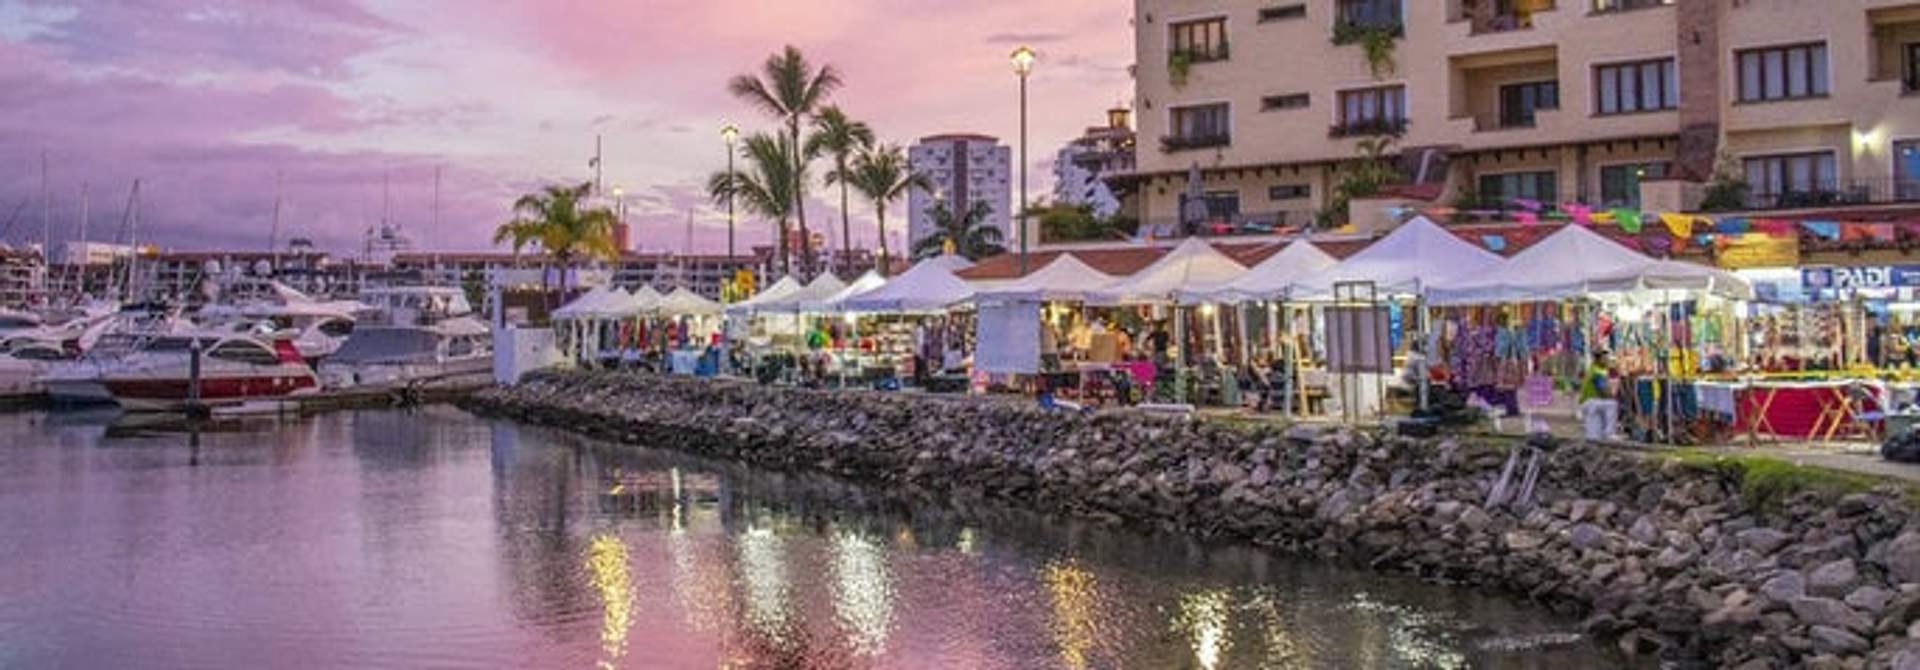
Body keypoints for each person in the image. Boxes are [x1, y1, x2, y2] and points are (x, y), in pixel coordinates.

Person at [1579, 351, 1619, 440]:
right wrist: (1613, 395)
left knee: (1594, 435)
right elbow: (1603, 390)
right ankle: (1610, 434)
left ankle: (1599, 438)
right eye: (1605, 359)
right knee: (1612, 404)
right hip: (1593, 402)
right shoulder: (1598, 372)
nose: (1607, 361)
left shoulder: (1592, 369)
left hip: (1587, 404)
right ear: (1598, 360)